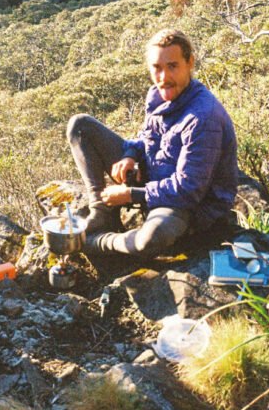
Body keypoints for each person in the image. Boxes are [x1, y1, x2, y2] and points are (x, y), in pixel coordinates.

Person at [66, 28, 239, 256]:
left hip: (188, 206)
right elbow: (148, 139)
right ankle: (100, 211)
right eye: (157, 68)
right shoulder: (158, 95)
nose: (164, 77)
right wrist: (130, 155)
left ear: (190, 63)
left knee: (150, 239)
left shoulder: (203, 117)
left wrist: (130, 194)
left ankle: (98, 242)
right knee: (81, 126)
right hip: (153, 177)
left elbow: (188, 190)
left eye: (173, 66)